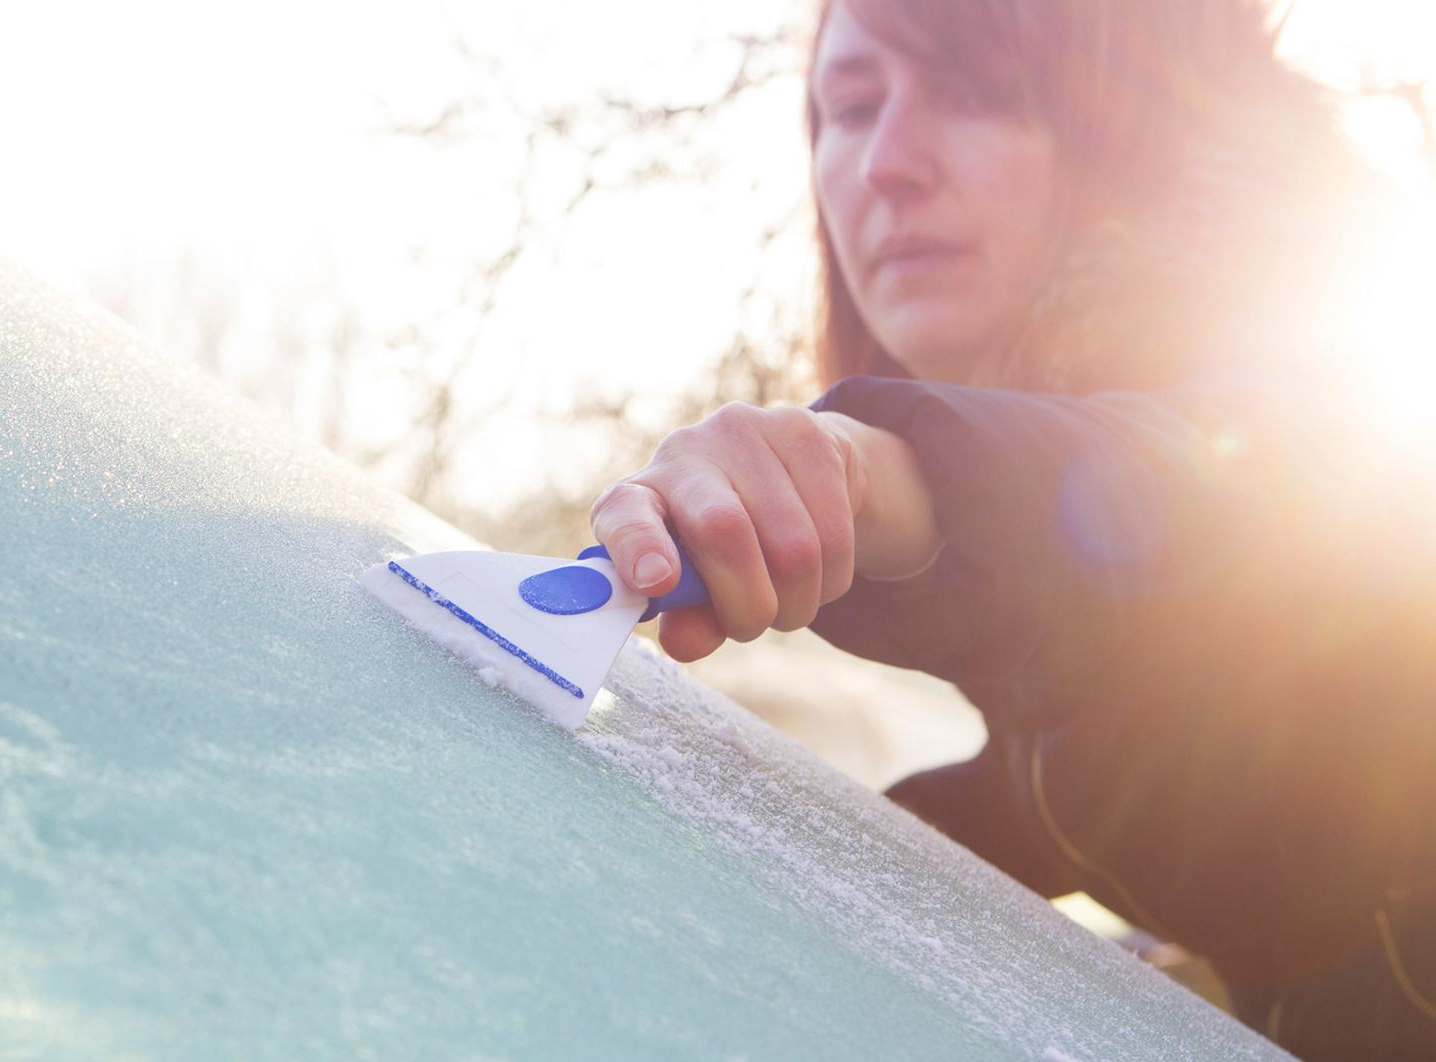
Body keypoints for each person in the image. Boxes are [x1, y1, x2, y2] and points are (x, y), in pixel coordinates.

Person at [589, 0, 1436, 1058]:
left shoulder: (1361, 351)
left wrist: (885, 474)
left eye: (975, 91)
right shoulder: (1030, 393)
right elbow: (1111, 773)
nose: (884, 162)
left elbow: (1249, 502)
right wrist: (801, 852)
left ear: (1129, 115)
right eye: (850, 106)